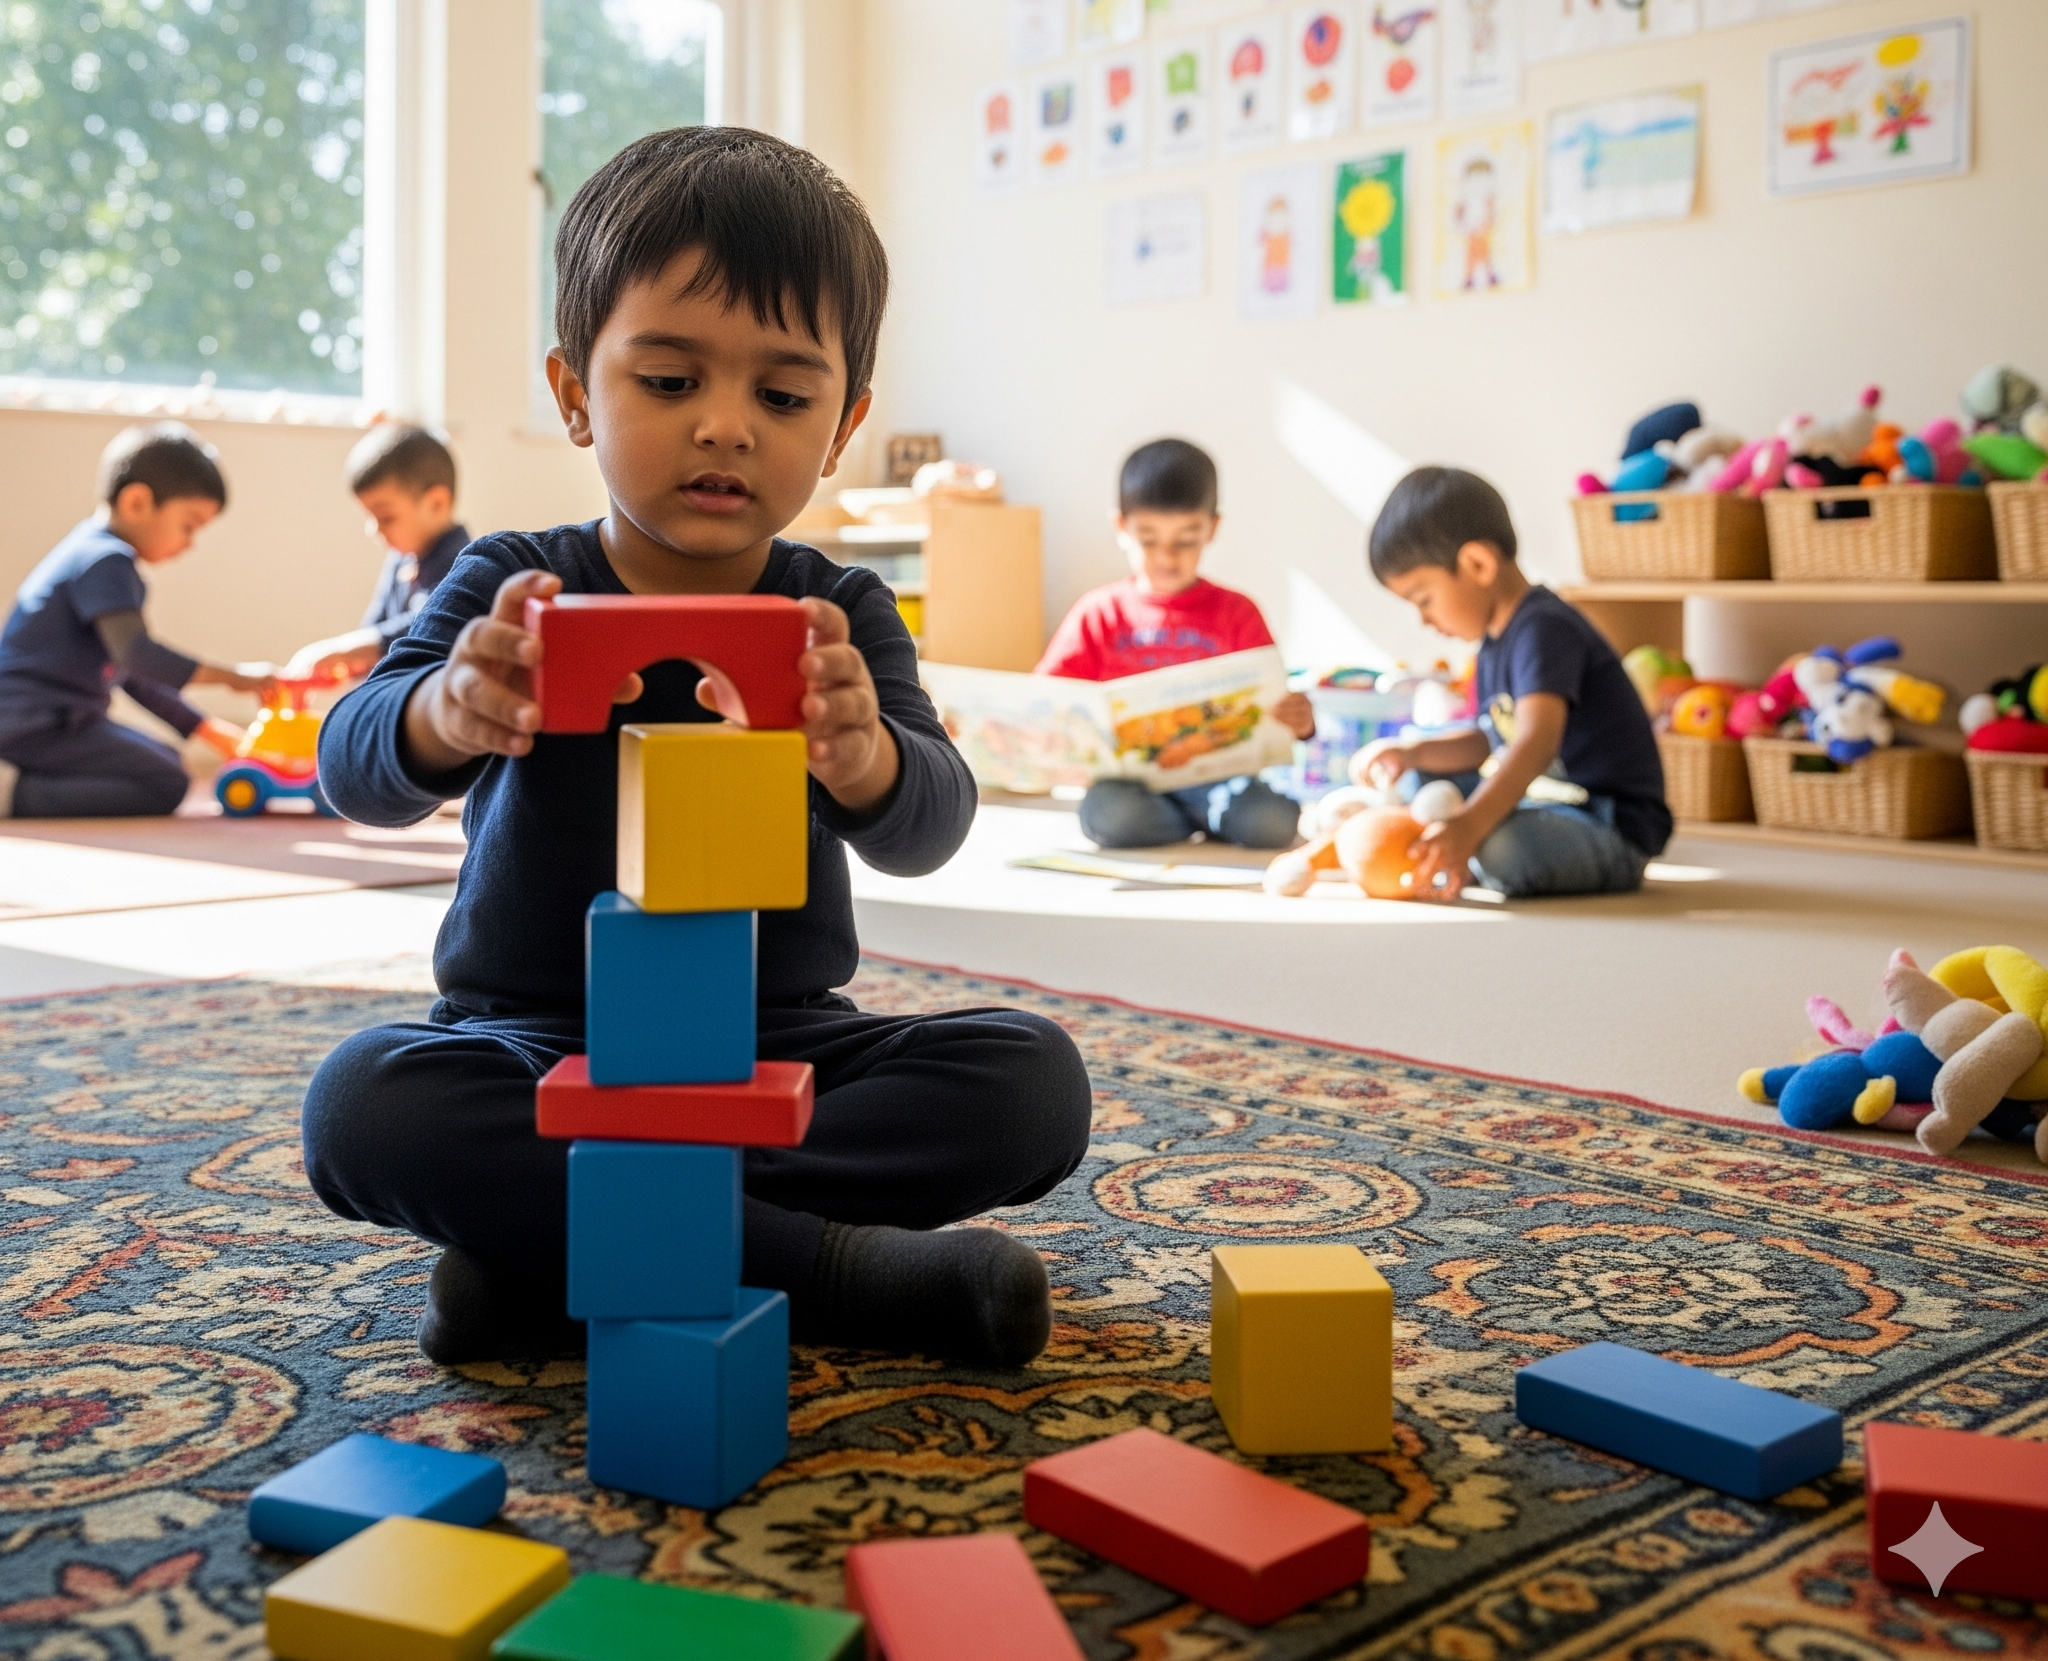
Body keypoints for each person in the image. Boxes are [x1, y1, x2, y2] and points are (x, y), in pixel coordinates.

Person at [304, 126, 1091, 1371]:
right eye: (670, 382)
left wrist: (860, 755)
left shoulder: (835, 611)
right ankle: (827, 1266)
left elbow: (933, 819)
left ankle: (557, 1258)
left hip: (777, 1046)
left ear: (841, 425)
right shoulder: (513, 581)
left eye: (780, 396)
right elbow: (349, 762)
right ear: (574, 393)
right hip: (537, 1042)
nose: (726, 427)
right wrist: (446, 710)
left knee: (1031, 1077)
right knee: (362, 1103)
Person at [1363, 465, 1669, 899]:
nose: (1425, 621)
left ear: (1477, 564)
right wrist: (1412, 752)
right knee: (1421, 779)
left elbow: (1535, 742)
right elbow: (1489, 740)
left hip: (1608, 822)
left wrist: (1469, 825)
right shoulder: (1493, 643)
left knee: (1503, 850)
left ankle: (1464, 848)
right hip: (1543, 804)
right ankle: (1454, 845)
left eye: (1424, 599)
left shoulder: (1544, 628)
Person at [1036, 438, 1313, 850]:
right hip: (1130, 786)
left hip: (1220, 782)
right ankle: (1190, 825)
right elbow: (1046, 698)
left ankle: (1193, 819)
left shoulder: (1238, 612)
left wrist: (1302, 722)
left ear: (1212, 529)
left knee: (1273, 821)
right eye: (1148, 540)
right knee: (1106, 815)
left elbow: (1273, 707)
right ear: (1121, 528)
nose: (1166, 556)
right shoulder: (1099, 612)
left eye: (1185, 540)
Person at [0, 423, 274, 818]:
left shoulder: (92, 552)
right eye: (189, 525)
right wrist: (235, 677)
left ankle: (20, 782)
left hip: (47, 720)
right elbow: (137, 656)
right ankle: (11, 793)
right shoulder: (106, 559)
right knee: (166, 780)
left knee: (163, 761)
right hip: (36, 722)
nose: (188, 544)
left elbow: (132, 673)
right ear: (137, 503)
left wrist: (206, 728)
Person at [287, 424, 472, 682]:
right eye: (370, 517)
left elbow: (426, 624)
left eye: (385, 517)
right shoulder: (402, 557)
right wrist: (351, 663)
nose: (374, 530)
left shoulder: (463, 563)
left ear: (436, 503)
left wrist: (345, 649)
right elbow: (374, 627)